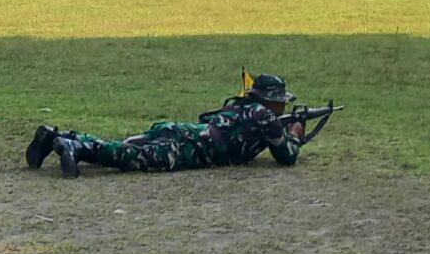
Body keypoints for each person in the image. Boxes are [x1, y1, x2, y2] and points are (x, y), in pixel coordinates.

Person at [27, 73, 310, 178]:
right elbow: (286, 157)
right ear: (272, 101)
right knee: (133, 159)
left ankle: (59, 135)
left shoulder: (239, 105)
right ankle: (74, 147)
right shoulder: (267, 117)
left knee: (128, 145)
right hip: (193, 147)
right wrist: (295, 133)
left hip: (182, 131)